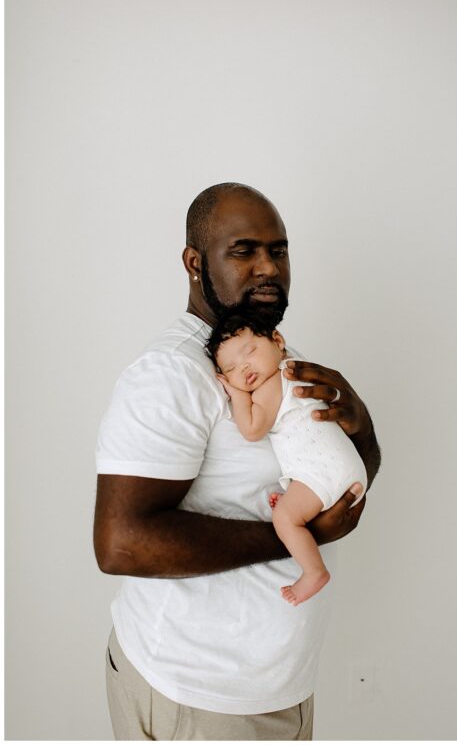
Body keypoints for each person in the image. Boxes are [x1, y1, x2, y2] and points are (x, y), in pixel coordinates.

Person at [94, 182, 381, 740]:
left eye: (279, 250)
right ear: (195, 263)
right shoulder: (173, 375)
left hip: (277, 692)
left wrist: (360, 422)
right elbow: (119, 542)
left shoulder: (275, 355)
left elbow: (340, 479)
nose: (268, 267)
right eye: (244, 250)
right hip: (195, 696)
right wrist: (296, 536)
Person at [207, 306, 367, 606]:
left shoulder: (271, 385)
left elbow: (253, 429)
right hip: (340, 465)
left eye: (250, 351)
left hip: (325, 468)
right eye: (230, 369)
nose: (243, 368)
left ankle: (313, 571)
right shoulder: (294, 368)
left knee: (284, 518)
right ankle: (301, 501)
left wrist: (238, 395)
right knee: (289, 505)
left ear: (278, 340)